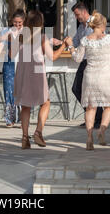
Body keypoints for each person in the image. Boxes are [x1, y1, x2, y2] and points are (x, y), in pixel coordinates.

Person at [65, 11, 110, 150]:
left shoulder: (85, 40)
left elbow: (77, 59)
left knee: (91, 108)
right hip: (105, 77)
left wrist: (70, 46)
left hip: (90, 76)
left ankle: (89, 137)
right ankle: (102, 131)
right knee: (109, 106)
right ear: (102, 25)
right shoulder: (109, 38)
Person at [12, 10, 67, 149]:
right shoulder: (42, 37)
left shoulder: (20, 36)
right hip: (36, 72)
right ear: (40, 23)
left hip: (22, 72)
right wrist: (63, 46)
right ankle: (38, 132)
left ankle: (25, 138)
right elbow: (52, 57)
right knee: (45, 102)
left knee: (25, 106)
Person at [70, 2, 103, 129]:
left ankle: (97, 119)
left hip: (93, 60)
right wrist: (64, 43)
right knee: (77, 89)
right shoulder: (81, 27)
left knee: (92, 91)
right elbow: (76, 41)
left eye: (77, 14)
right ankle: (91, 115)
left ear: (84, 12)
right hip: (84, 61)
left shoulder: (94, 23)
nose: (76, 17)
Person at [0, 9, 26, 128]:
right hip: (9, 64)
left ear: (23, 22)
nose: (17, 25)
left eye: (20, 23)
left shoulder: (27, 32)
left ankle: (23, 118)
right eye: (15, 22)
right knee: (9, 91)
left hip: (23, 64)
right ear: (12, 21)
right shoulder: (6, 31)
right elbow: (0, 45)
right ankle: (9, 118)